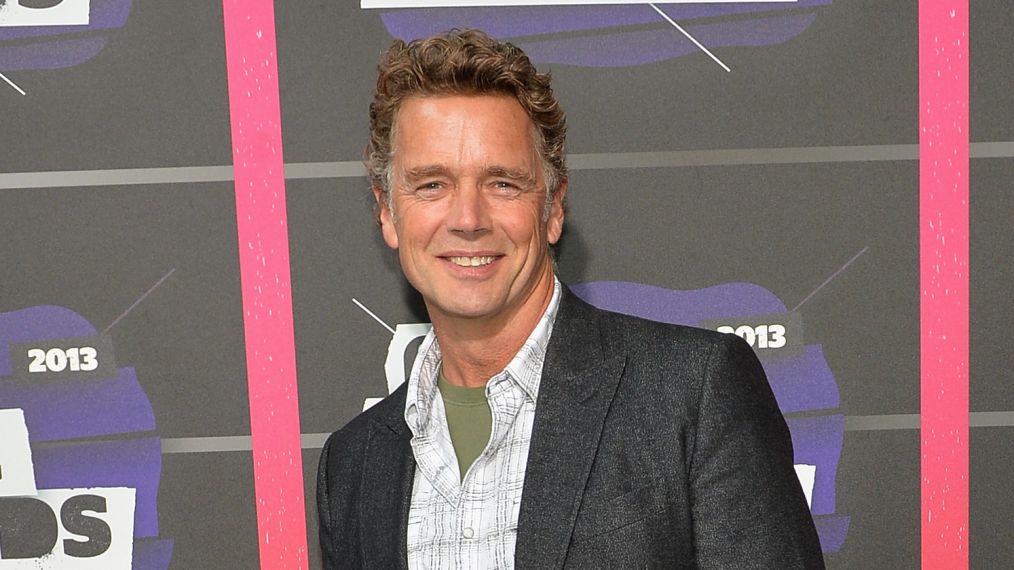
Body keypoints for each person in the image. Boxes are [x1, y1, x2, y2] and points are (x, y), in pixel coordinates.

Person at [317, 29, 825, 569]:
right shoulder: (352, 468)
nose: (467, 220)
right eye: (431, 185)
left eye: (503, 184)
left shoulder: (692, 397)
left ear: (553, 207)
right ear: (388, 212)